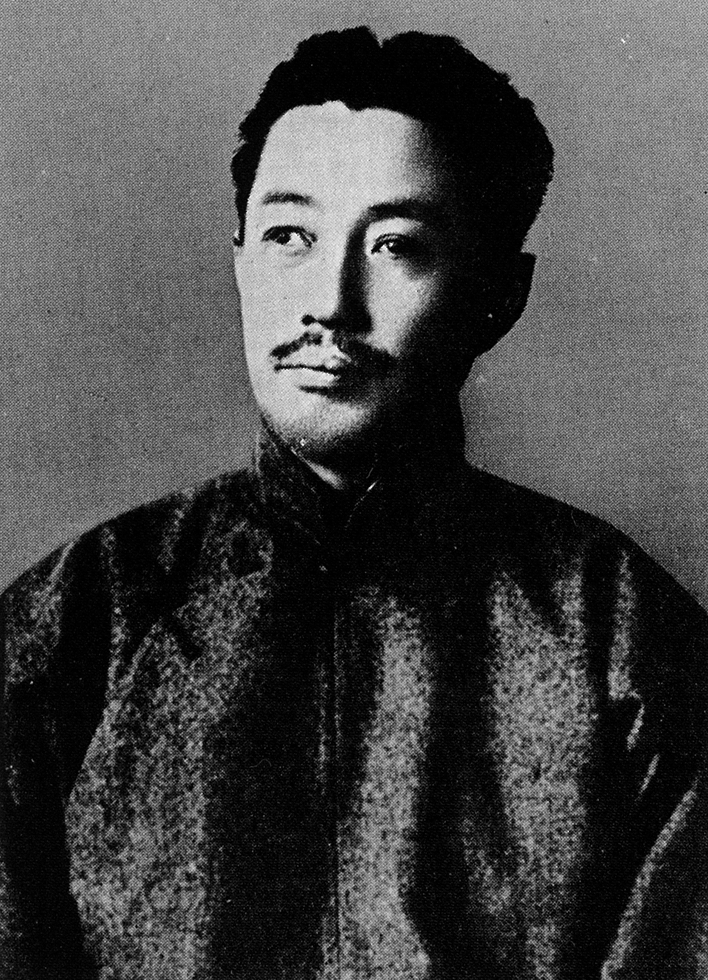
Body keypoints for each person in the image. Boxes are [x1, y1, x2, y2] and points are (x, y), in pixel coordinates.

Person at [1, 25, 706, 980]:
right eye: (289, 236)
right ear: (240, 259)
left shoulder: (623, 641)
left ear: (500, 295)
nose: (329, 304)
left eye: (395, 246)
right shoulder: (74, 625)